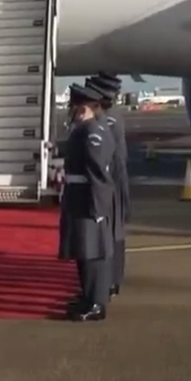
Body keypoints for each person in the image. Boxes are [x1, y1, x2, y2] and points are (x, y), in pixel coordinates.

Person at [58, 83, 116, 322]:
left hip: (88, 201)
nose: (75, 112)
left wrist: (99, 207)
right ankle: (87, 296)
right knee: (84, 252)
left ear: (86, 108)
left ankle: (96, 303)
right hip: (78, 198)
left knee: (92, 254)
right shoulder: (85, 129)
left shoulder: (94, 133)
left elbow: (98, 174)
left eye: (78, 108)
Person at [86, 72, 128, 297]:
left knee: (109, 233)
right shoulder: (112, 116)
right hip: (114, 179)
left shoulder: (107, 120)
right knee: (114, 232)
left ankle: (109, 281)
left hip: (109, 181)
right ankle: (113, 279)